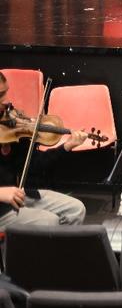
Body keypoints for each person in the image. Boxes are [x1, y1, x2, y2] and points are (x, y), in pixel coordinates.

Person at [0, 71, 88, 227]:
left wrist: (66, 146)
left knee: (75, 210)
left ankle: (59, 251)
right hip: (2, 208)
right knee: (49, 221)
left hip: (16, 197)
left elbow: (34, 164)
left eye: (6, 93)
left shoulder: (9, 125)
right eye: (0, 96)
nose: (6, 101)